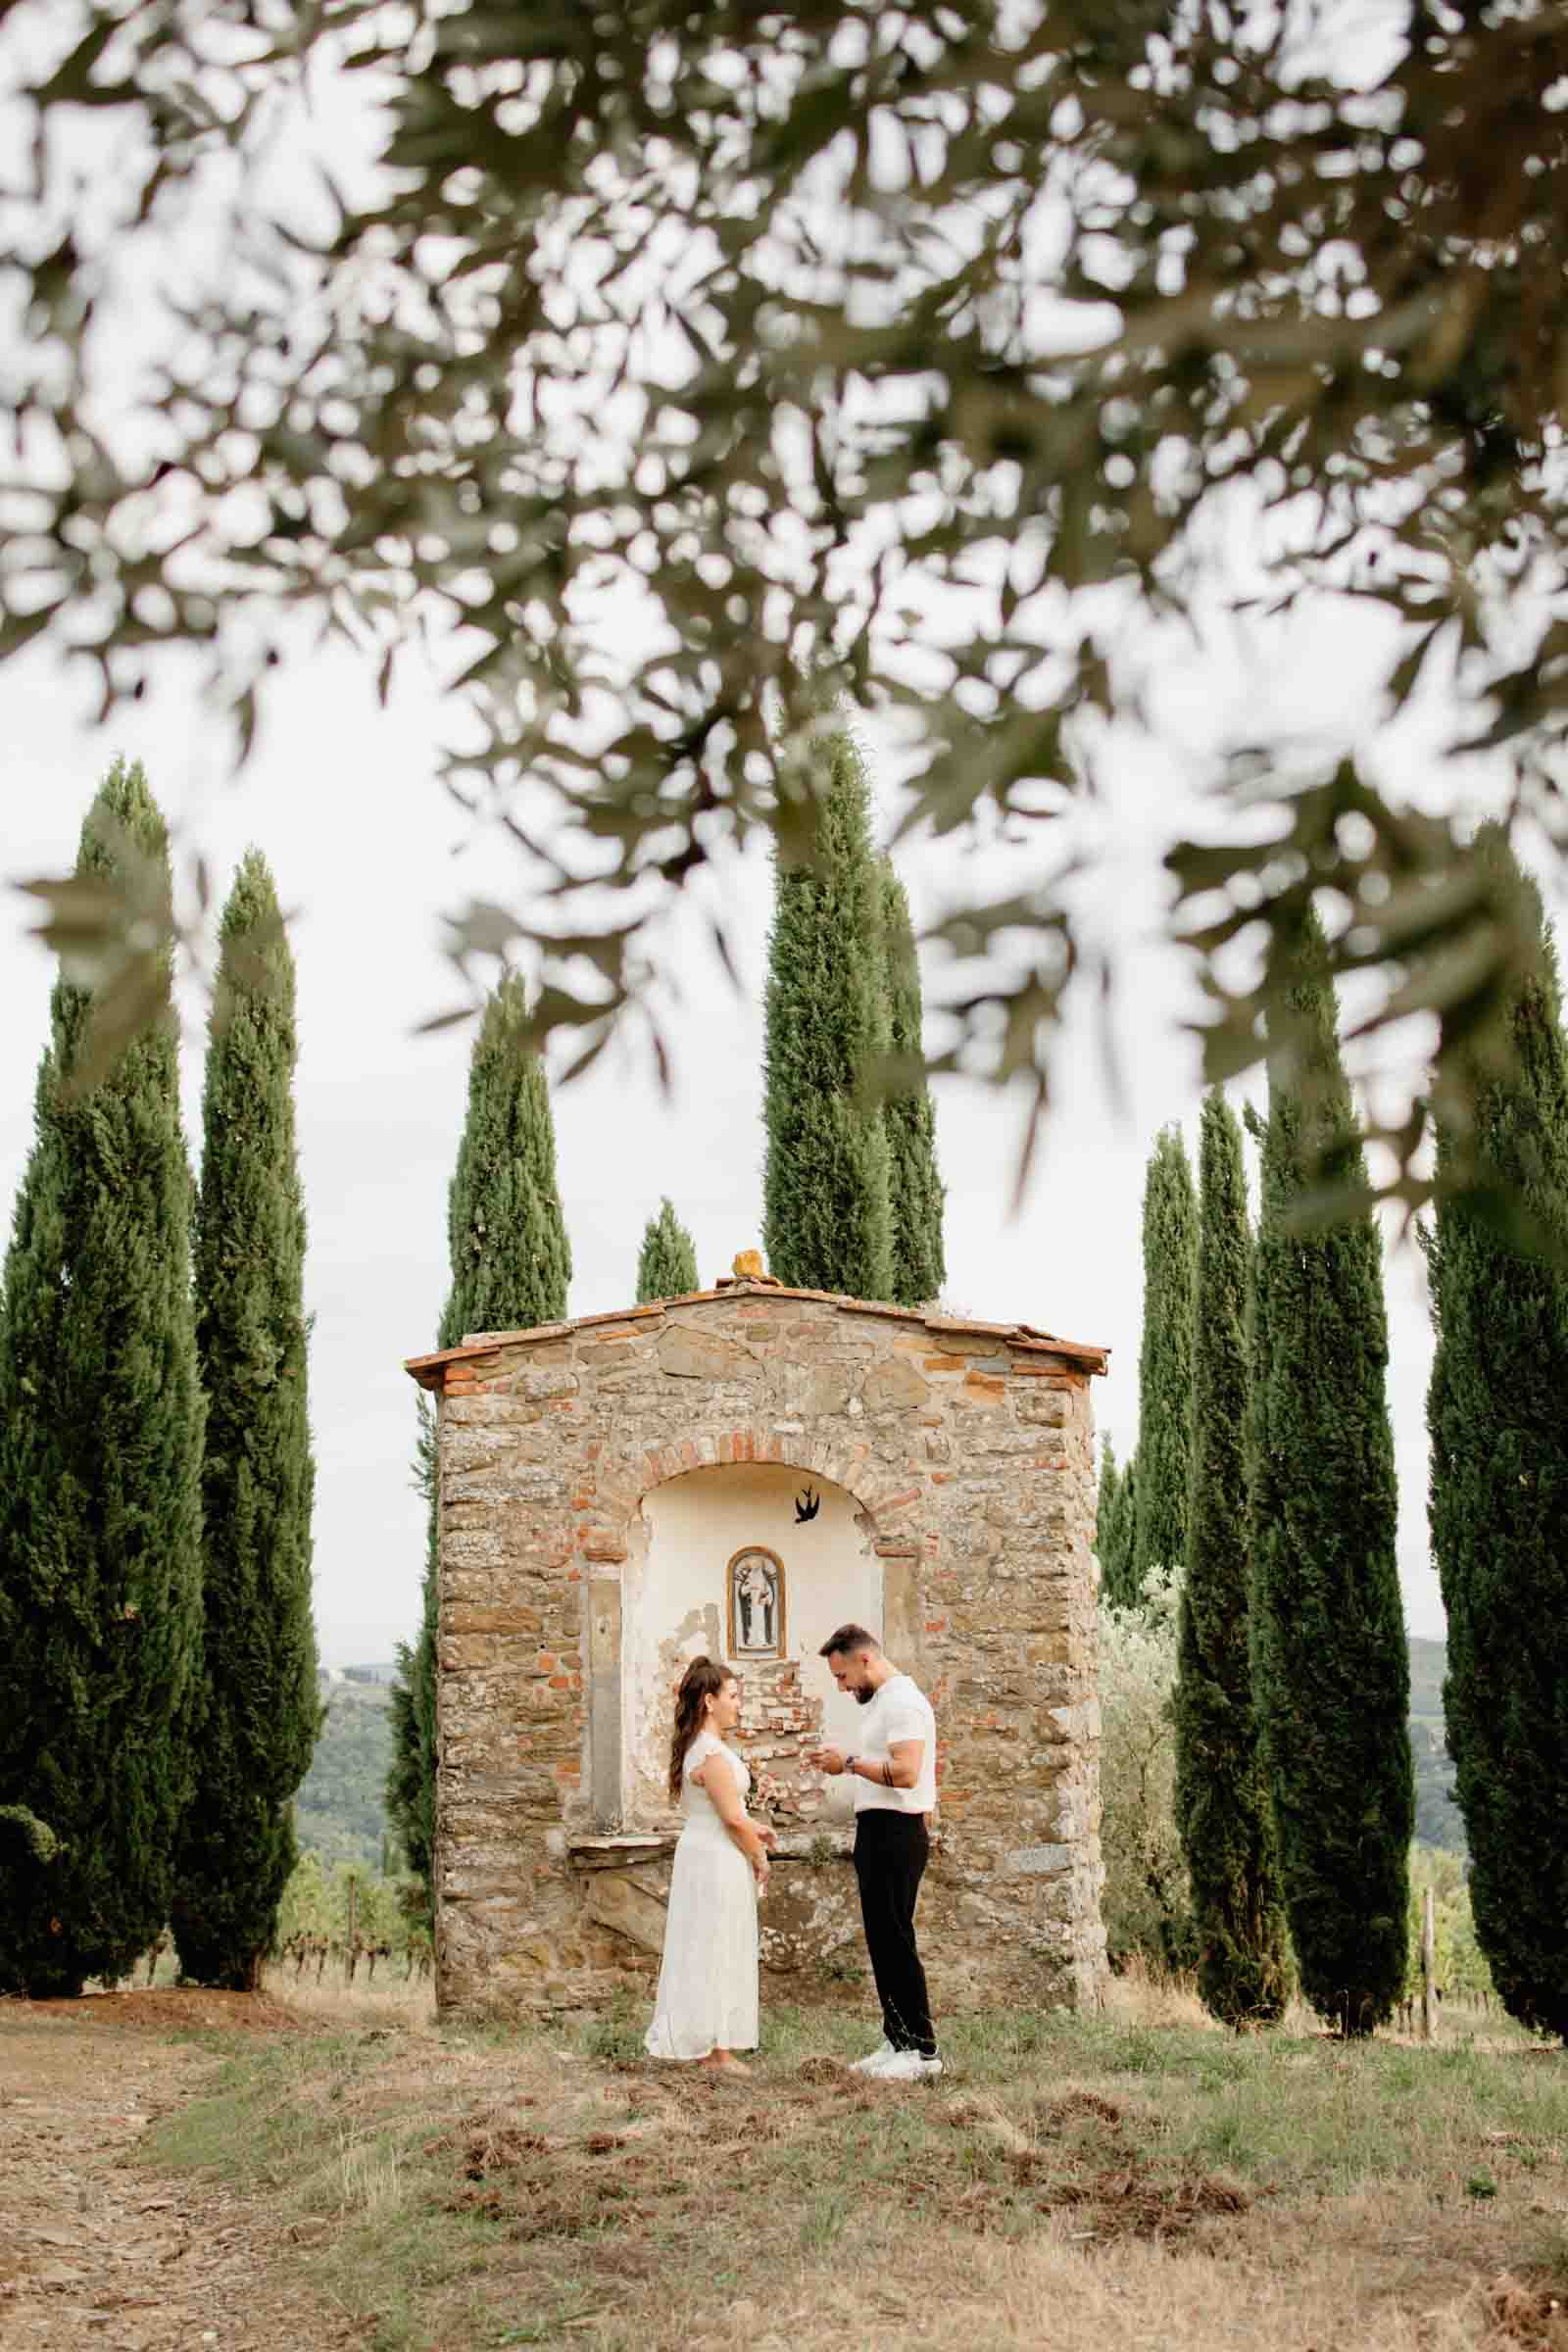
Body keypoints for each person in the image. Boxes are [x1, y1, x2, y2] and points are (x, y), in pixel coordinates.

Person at [808, 1625, 941, 2082]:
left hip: (897, 1830)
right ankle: (898, 2039)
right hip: (877, 1827)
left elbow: (906, 1773)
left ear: (864, 1659)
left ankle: (922, 2051)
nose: (843, 1688)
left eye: (843, 1676)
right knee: (881, 1939)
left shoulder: (903, 1702)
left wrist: (845, 1763)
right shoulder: (883, 1702)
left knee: (896, 1937)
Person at [645, 1655, 777, 2073]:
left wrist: (757, 1828)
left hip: (706, 1850)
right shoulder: (712, 1754)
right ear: (708, 1702)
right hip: (716, 1857)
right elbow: (732, 1819)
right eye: (734, 1696)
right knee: (715, 1944)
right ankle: (713, 2051)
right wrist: (759, 1856)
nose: (739, 1705)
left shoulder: (700, 1750)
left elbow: (728, 1812)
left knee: (712, 1943)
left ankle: (715, 2046)